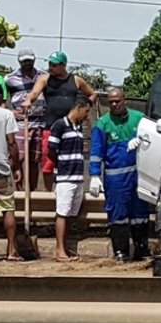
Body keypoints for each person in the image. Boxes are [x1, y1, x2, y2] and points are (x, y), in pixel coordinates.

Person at [21, 51, 97, 191]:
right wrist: (28, 100)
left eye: (54, 65)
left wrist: (86, 107)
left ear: (63, 65)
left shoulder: (76, 80)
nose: (51, 67)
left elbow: (92, 94)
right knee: (48, 163)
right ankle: (49, 194)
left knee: (71, 160)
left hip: (71, 128)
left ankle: (68, 191)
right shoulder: (45, 79)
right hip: (51, 127)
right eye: (50, 64)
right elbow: (34, 93)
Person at [90, 88, 149, 261]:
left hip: (138, 177)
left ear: (125, 100)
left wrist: (141, 140)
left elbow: (153, 138)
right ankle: (121, 252)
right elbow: (96, 152)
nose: (115, 104)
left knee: (140, 214)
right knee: (118, 215)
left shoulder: (139, 119)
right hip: (116, 180)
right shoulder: (103, 124)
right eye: (111, 102)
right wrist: (94, 175)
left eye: (118, 101)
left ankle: (142, 251)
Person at [47, 94, 92, 262]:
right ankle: (59, 250)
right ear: (78, 108)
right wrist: (61, 164)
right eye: (86, 111)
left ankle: (65, 247)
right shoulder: (60, 125)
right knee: (62, 213)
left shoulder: (78, 127)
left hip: (78, 176)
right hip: (65, 177)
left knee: (71, 213)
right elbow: (51, 150)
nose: (87, 115)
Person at [0, 83, 22, 261]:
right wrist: (16, 166)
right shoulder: (6, 114)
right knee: (7, 209)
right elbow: (12, 142)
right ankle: (12, 251)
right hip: (0, 168)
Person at [5, 48, 47, 191]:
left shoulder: (43, 77)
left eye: (29, 60)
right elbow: (2, 99)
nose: (27, 63)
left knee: (34, 160)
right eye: (24, 61)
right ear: (19, 61)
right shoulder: (10, 79)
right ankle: (19, 191)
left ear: (34, 60)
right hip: (20, 124)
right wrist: (10, 112)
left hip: (39, 123)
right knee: (18, 158)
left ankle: (31, 192)